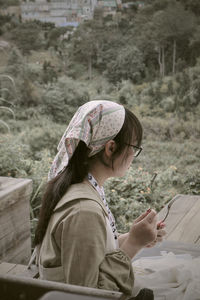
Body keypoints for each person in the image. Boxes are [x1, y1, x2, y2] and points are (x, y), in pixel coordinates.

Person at [32, 100, 166, 298]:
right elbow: (88, 294)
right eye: (134, 147)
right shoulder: (84, 210)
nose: (132, 154)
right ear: (110, 148)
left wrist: (133, 236)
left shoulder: (80, 188)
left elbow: (92, 254)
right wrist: (134, 244)